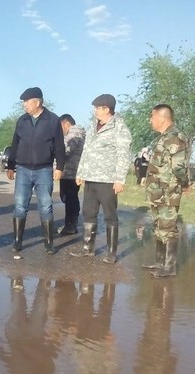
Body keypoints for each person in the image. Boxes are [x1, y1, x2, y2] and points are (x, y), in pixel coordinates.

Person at [70, 94, 132, 264]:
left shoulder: (119, 128)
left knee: (110, 216)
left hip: (108, 180)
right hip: (90, 178)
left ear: (107, 109)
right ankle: (87, 248)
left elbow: (123, 155)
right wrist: (80, 172)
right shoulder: (92, 126)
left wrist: (120, 179)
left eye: (97, 108)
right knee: (89, 213)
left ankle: (111, 252)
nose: (95, 111)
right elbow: (86, 150)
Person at [6, 87, 65, 254]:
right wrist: (11, 165)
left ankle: (48, 243)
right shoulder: (22, 120)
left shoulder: (53, 120)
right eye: (23, 102)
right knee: (19, 205)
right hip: (23, 169)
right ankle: (17, 241)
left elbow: (59, 146)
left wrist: (60, 167)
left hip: (44, 169)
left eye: (27, 101)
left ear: (37, 102)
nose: (24, 105)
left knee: (46, 206)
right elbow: (15, 143)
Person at [141, 104, 190, 278]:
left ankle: (169, 267)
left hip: (168, 191)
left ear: (162, 118)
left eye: (152, 117)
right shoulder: (163, 137)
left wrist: (184, 185)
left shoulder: (175, 137)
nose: (150, 120)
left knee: (168, 227)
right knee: (159, 225)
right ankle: (159, 262)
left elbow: (178, 167)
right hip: (157, 191)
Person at [57, 114, 85, 236]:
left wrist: (55, 148)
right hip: (69, 171)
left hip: (72, 172)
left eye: (60, 127)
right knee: (68, 198)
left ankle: (71, 225)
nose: (60, 131)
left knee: (70, 198)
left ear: (66, 123)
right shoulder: (77, 133)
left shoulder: (74, 133)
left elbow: (66, 149)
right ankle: (71, 224)